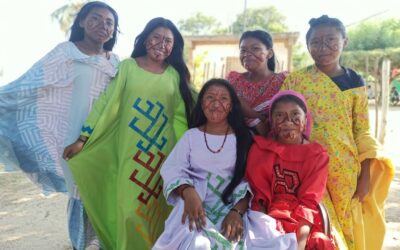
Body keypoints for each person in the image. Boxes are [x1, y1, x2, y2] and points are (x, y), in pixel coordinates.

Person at [63, 17, 196, 250]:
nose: (161, 44)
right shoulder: (128, 67)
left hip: (163, 155)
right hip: (130, 153)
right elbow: (107, 103)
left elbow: (179, 118)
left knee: (160, 210)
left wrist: (184, 155)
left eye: (168, 41)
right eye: (156, 37)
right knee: (129, 209)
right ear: (146, 41)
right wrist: (84, 138)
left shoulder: (175, 75)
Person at [0, 2, 120, 249]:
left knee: (104, 195)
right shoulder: (66, 52)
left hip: (105, 143)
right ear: (82, 22)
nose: (103, 25)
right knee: (81, 194)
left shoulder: (116, 63)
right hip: (72, 142)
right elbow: (30, 84)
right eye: (96, 19)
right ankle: (83, 244)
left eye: (109, 22)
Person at [281, 15, 395, 250]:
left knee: (345, 224)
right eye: (316, 42)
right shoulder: (297, 80)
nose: (323, 48)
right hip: (307, 166)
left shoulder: (355, 81)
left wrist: (365, 176)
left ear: (345, 41)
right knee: (320, 224)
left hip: (344, 169)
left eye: (331, 40)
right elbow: (280, 121)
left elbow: (361, 130)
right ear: (308, 45)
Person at [153, 78, 297, 249]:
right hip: (194, 208)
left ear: (231, 106)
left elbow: (252, 182)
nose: (216, 104)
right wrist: (187, 191)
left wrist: (237, 212)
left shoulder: (245, 138)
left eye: (223, 98)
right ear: (202, 104)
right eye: (210, 97)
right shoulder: (190, 136)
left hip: (234, 207)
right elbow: (173, 169)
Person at [245, 90, 335, 250]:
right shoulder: (260, 149)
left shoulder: (317, 155)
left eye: (295, 114)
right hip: (266, 218)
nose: (287, 121)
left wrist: (298, 244)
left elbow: (308, 203)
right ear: (271, 121)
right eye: (279, 115)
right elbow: (259, 199)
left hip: (303, 222)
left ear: (305, 120)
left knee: (320, 242)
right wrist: (268, 235)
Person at [227, 30, 287, 136]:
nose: (247, 54)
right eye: (243, 50)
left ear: (269, 53)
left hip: (270, 146)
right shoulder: (233, 80)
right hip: (234, 144)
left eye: (255, 49)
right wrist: (257, 118)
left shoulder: (283, 81)